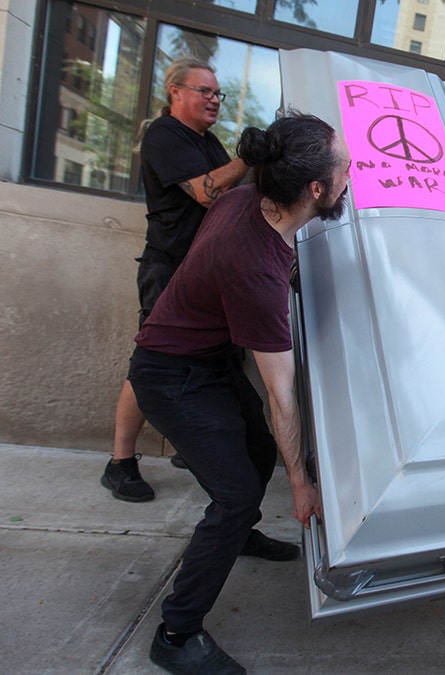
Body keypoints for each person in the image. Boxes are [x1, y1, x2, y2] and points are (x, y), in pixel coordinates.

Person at [129, 110, 349, 675]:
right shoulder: (256, 269)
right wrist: (301, 486)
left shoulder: (246, 200)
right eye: (345, 166)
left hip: (204, 363)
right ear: (317, 189)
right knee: (235, 497)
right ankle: (176, 633)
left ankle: (239, 535)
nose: (355, 171)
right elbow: (282, 395)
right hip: (171, 377)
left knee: (254, 452)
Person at [101, 58, 249, 502]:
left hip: (207, 275)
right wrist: (248, 159)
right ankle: (120, 463)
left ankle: (193, 443)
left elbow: (237, 197)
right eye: (204, 91)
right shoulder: (166, 135)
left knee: (220, 359)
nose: (214, 100)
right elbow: (208, 192)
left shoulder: (208, 142)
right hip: (169, 269)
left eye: (218, 94)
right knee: (152, 363)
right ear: (175, 92)